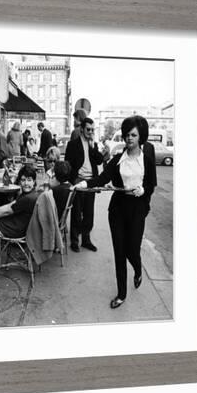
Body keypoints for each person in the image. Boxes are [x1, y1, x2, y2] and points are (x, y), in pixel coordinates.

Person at [74, 115, 157, 309]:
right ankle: (121, 294)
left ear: (141, 136)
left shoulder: (147, 160)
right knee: (120, 252)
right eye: (127, 134)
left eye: (134, 135)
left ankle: (138, 270)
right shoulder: (119, 159)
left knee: (132, 251)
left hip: (137, 210)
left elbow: (151, 184)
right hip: (118, 209)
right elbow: (102, 178)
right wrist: (83, 184)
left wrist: (143, 190)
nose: (129, 138)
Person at [64, 117, 103, 252]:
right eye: (88, 129)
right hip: (78, 181)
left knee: (89, 213)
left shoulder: (94, 144)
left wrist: (93, 147)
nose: (91, 132)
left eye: (93, 130)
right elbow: (67, 165)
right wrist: (71, 182)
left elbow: (99, 161)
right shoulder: (73, 144)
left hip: (91, 182)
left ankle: (86, 240)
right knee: (76, 212)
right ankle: (74, 241)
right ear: (82, 129)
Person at [0, 165, 39, 239]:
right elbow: (11, 205)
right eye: (23, 180)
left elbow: (7, 212)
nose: (26, 183)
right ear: (19, 181)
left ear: (34, 182)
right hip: (16, 227)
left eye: (29, 180)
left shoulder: (27, 198)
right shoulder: (33, 194)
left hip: (10, 230)